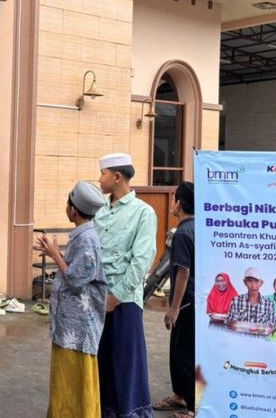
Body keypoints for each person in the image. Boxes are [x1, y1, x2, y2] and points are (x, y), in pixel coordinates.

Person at [36, 181, 108, 418]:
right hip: (69, 326)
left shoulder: (87, 239)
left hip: (78, 330)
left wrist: (55, 255)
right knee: (64, 379)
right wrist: (56, 254)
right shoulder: (83, 236)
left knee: (73, 380)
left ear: (73, 210)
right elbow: (77, 270)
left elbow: (77, 278)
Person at [94, 153, 157, 418]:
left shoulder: (143, 213)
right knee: (101, 361)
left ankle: (132, 413)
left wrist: (116, 296)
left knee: (126, 364)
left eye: (103, 174)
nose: (99, 179)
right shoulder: (98, 211)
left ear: (117, 177)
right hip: (96, 299)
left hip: (126, 301)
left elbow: (142, 261)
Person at [153, 182, 196, 418]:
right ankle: (180, 395)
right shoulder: (199, 228)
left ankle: (192, 406)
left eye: (173, 199)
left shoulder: (183, 233)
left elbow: (183, 272)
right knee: (179, 351)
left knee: (185, 354)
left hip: (187, 302)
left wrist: (174, 308)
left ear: (178, 203)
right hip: (195, 300)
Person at [227, 267, 276, 332]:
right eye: (250, 281)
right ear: (244, 282)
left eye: (256, 281)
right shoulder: (236, 301)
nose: (253, 285)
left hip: (260, 338)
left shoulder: (269, 304)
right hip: (240, 337)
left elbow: (272, 325)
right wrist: (231, 324)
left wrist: (270, 329)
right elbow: (229, 322)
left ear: (261, 283)